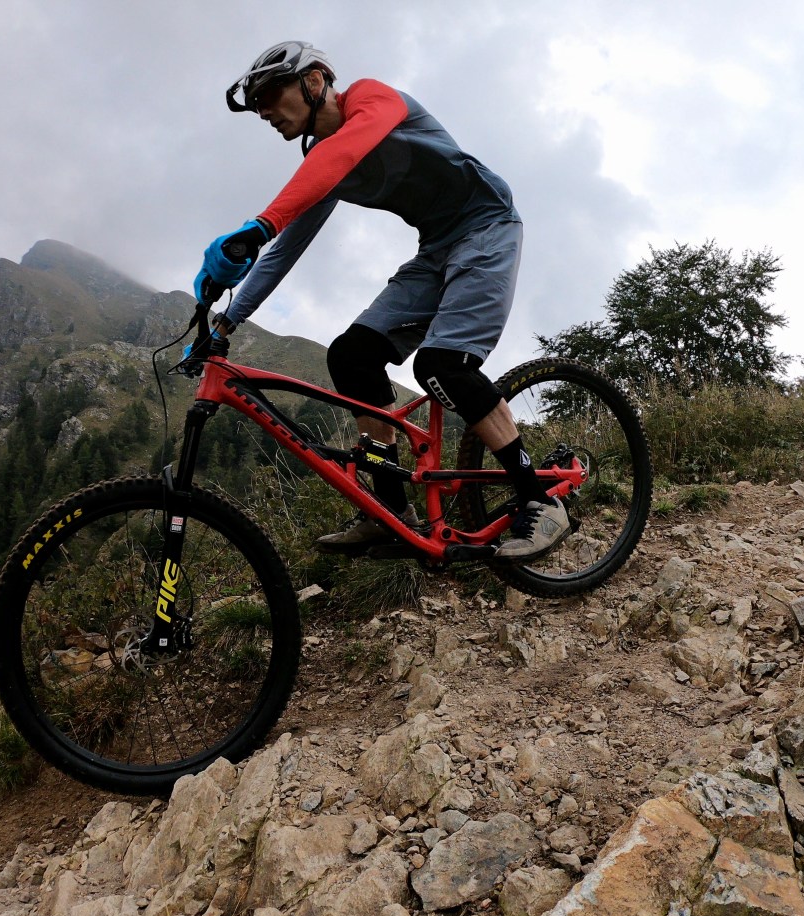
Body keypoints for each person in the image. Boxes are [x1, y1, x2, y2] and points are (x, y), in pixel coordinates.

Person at [193, 41, 570, 561]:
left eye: (272, 93)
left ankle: (541, 501)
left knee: (443, 365)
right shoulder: (324, 165)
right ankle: (392, 514)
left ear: (316, 80)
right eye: (256, 104)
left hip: (487, 227)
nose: (263, 110)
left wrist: (261, 223)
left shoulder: (371, 98)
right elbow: (283, 254)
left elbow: (347, 148)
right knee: (350, 357)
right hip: (436, 247)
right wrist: (225, 322)